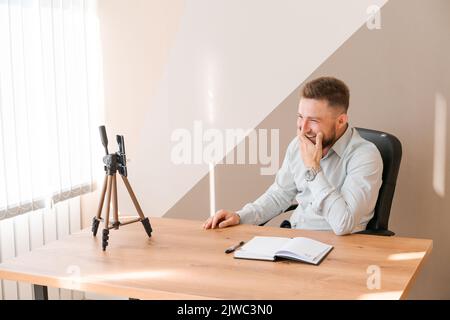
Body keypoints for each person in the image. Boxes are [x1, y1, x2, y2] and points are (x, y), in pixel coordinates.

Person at [203, 76, 383, 235]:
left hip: (338, 248)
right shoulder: (298, 145)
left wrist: (314, 169)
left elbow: (343, 224)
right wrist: (240, 217)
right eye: (300, 117)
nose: (302, 129)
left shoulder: (365, 156)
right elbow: (279, 194)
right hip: (294, 239)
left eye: (313, 120)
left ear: (341, 120)